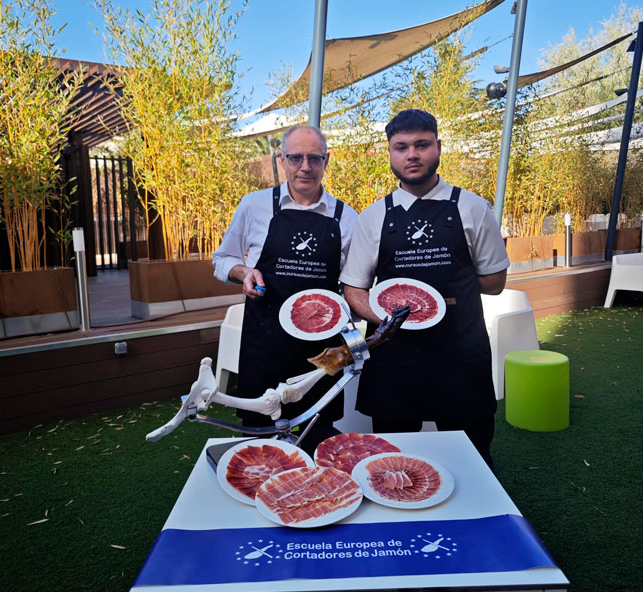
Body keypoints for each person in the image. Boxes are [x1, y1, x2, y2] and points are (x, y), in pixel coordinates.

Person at [340, 108, 509, 466]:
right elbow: (353, 290)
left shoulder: (473, 208)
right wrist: (392, 318)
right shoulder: (373, 217)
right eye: (400, 147)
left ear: (439, 147)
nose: (411, 154)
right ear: (390, 154)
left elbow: (495, 282)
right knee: (392, 461)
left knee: (472, 457)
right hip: (395, 361)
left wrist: (449, 293)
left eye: (421, 144)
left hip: (462, 355)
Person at [212, 124, 358, 447]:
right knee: (259, 449)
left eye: (314, 158)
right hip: (265, 349)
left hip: (320, 356)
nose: (305, 167)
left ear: (326, 161)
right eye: (296, 158)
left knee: (318, 446)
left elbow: (354, 286)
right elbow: (222, 260)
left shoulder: (348, 218)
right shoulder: (253, 206)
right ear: (281, 160)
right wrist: (242, 272)